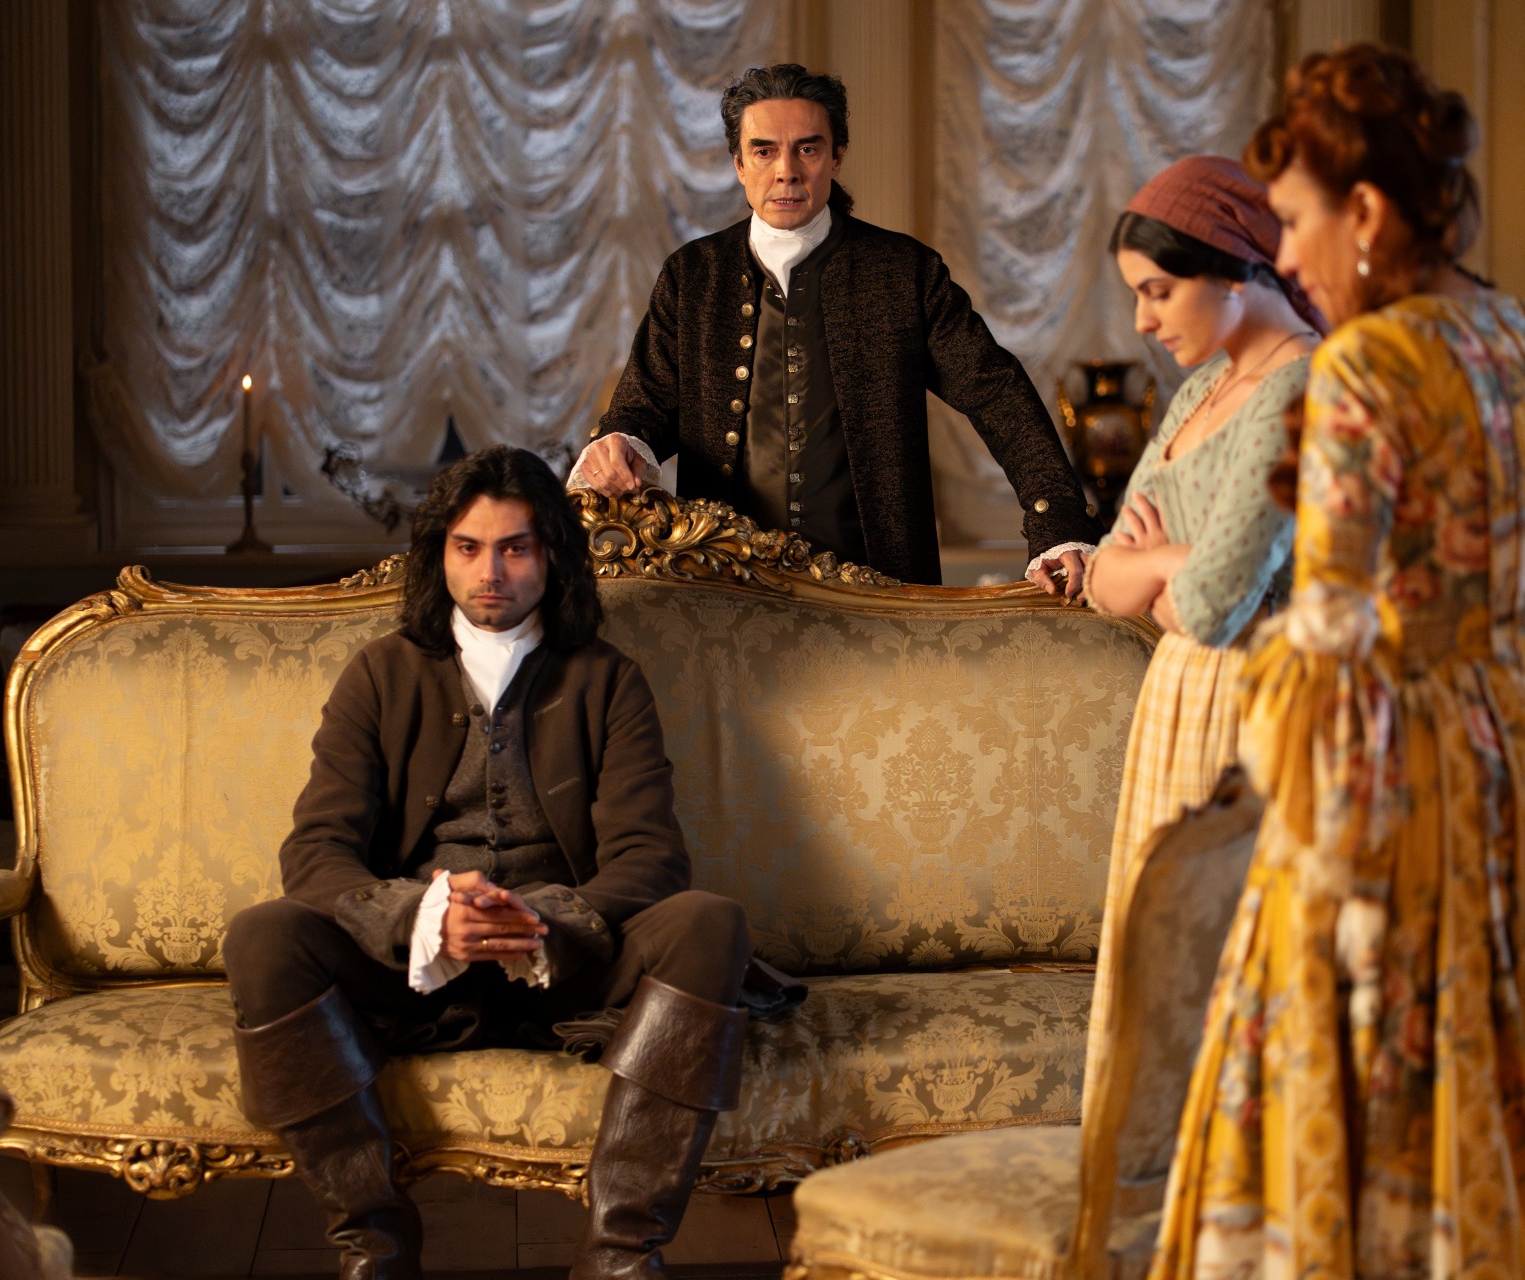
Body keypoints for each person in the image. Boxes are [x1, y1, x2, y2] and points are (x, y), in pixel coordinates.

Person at [1152, 46, 1525, 1280]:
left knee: (1390, 1091)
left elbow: (1332, 639)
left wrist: (1266, 790)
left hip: (1419, 774)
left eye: (1294, 221)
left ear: (1367, 211)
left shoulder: (1367, 366)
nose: (1284, 256)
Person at [223, 447, 777, 1280]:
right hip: (412, 977)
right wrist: (422, 916)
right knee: (264, 937)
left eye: (516, 548)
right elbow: (316, 852)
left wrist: (544, 920)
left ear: (551, 556)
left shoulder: (608, 680)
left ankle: (621, 1255)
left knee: (710, 923)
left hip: (570, 969)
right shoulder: (379, 673)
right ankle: (374, 1247)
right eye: (469, 547)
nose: (491, 572)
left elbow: (650, 857)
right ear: (440, 556)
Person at [569, 63, 1100, 591]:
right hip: (723, 588)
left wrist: (1058, 522)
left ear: (836, 157)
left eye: (807, 148)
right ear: (739, 164)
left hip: (880, 588)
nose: (786, 171)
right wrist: (620, 442)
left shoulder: (902, 271)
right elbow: (643, 406)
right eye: (764, 151)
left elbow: (995, 392)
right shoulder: (693, 275)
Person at [1079, 156, 1323, 1080]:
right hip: (1175, 709)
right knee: (1163, 969)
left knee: (1227, 978)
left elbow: (1217, 607)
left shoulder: (1300, 389)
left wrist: (1167, 567)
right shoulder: (1198, 391)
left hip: (1251, 710)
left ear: (1235, 268)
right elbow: (1105, 578)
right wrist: (1165, 563)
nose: (1143, 321)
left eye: (1159, 291)